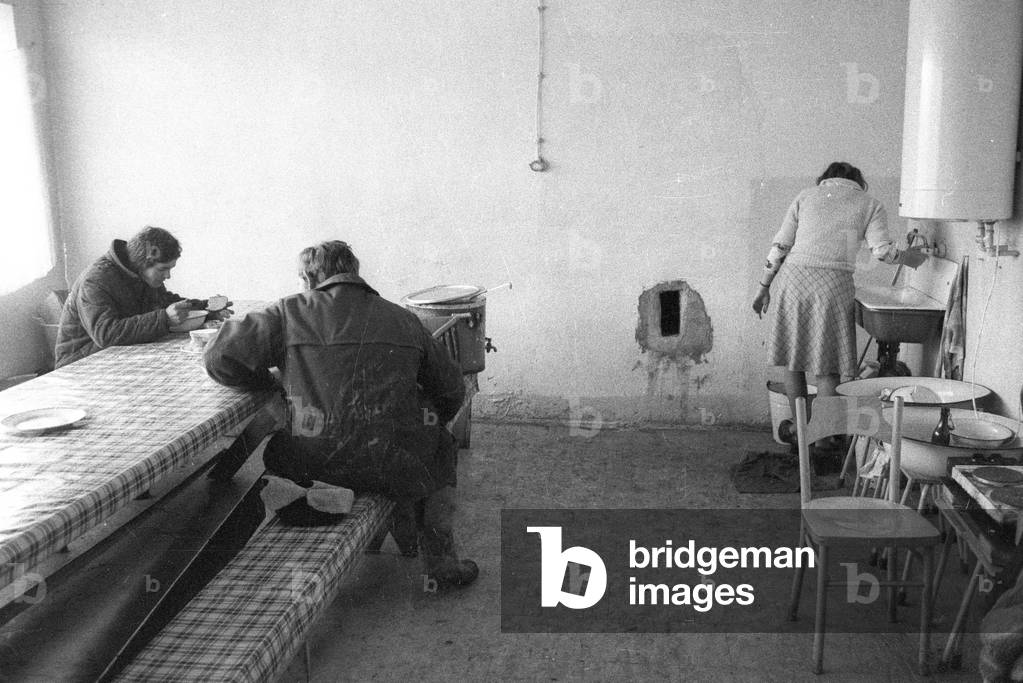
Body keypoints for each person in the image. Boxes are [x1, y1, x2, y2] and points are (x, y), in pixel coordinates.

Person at [204, 240, 479, 589]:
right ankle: (442, 563)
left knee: (281, 448)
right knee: (440, 447)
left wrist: (268, 387)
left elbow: (217, 359)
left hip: (312, 462)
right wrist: (423, 426)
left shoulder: (287, 313)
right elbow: (452, 390)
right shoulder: (403, 319)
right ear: (355, 274)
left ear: (308, 277)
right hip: (396, 463)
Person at [55, 225, 269, 480]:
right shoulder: (96, 279)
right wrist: (163, 319)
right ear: (146, 261)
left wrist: (204, 309)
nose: (167, 276)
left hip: (121, 361)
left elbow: (165, 300)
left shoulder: (139, 273)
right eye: (163, 269)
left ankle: (151, 467)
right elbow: (106, 334)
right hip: (81, 369)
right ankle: (129, 472)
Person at [752, 162, 925, 450]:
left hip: (795, 281)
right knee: (827, 368)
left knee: (793, 365)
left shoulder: (805, 197)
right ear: (858, 182)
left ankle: (799, 433)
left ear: (825, 180)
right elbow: (882, 252)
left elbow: (780, 246)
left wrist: (763, 287)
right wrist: (913, 259)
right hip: (834, 285)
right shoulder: (870, 204)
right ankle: (822, 440)